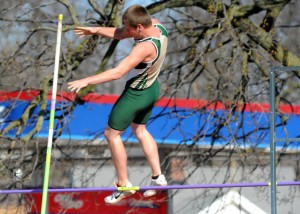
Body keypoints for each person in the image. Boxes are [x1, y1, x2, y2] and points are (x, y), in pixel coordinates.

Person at [68, 5, 168, 204]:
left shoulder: (144, 47)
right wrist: (95, 30)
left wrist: (87, 80)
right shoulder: (157, 26)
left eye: (129, 28)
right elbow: (120, 34)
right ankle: (158, 177)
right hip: (152, 89)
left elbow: (118, 72)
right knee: (140, 130)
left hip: (136, 94)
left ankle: (124, 185)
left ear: (139, 27)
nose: (126, 31)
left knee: (111, 134)